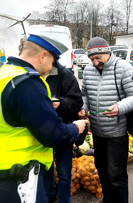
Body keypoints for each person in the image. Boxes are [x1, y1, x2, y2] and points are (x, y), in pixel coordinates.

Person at [0, 33, 88, 203]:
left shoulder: (5, 73)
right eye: (52, 61)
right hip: (18, 178)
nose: (51, 66)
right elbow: (53, 134)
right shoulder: (27, 83)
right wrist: (76, 128)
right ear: (43, 56)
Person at [78, 37, 133, 203]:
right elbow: (84, 94)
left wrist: (119, 107)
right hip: (97, 132)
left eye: (97, 58)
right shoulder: (88, 70)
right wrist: (84, 107)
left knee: (116, 174)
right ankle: (108, 199)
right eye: (91, 59)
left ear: (107, 53)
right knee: (102, 170)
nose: (94, 63)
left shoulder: (123, 68)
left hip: (117, 132)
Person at [43, 61, 84, 203]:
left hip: (63, 131)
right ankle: (49, 197)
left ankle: (64, 200)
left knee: (64, 173)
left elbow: (77, 102)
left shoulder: (65, 75)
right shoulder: (31, 75)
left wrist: (60, 103)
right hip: (41, 133)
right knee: (45, 171)